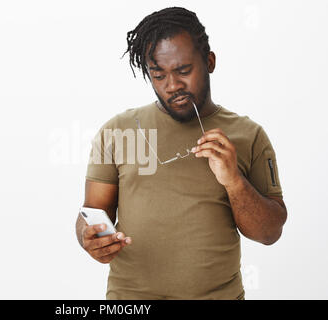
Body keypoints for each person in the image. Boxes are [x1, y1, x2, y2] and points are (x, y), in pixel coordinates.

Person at [75, 6, 287, 300]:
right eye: (158, 75)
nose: (172, 86)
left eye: (183, 71)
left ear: (210, 61)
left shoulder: (249, 135)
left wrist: (234, 180)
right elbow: (93, 212)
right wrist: (89, 237)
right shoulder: (116, 131)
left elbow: (269, 233)